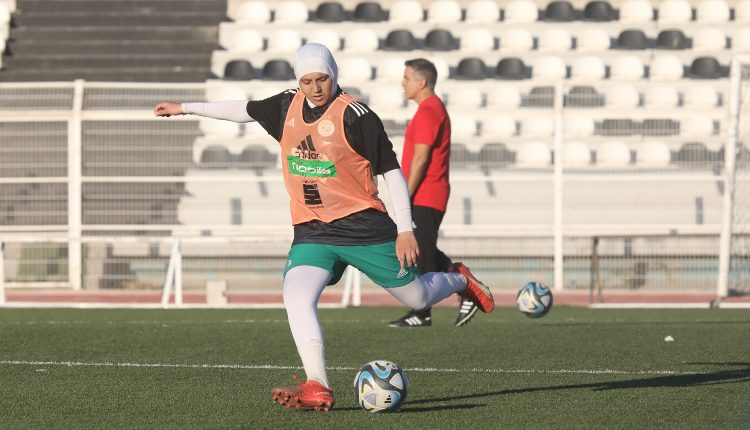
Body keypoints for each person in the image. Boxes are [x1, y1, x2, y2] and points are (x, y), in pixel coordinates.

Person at [153, 43, 493, 412]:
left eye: (322, 79)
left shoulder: (357, 115)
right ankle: (318, 385)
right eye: (307, 80)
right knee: (296, 296)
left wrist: (406, 228)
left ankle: (460, 278)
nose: (315, 87)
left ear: (334, 76)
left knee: (418, 298)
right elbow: (243, 110)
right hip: (313, 230)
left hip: (364, 226)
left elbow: (391, 171)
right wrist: (184, 107)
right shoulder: (286, 105)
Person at [388, 58, 478, 328]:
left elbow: (421, 158)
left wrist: (406, 193)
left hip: (426, 194)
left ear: (421, 82)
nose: (402, 84)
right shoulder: (430, 109)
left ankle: (439, 302)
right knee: (424, 252)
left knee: (420, 252)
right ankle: (457, 291)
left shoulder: (429, 111)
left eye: (406, 78)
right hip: (429, 193)